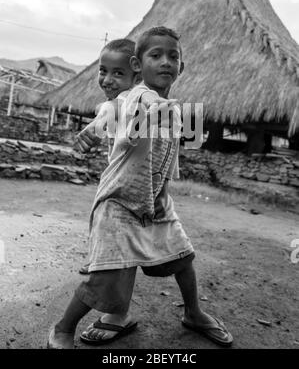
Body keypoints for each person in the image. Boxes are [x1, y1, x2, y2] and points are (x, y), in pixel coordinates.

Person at [47, 26, 233, 349]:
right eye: (155, 55)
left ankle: (194, 312)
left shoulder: (175, 112)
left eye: (172, 57)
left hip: (155, 202)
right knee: (104, 277)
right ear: (138, 65)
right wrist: (93, 128)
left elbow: (169, 159)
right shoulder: (134, 97)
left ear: (181, 67)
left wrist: (162, 194)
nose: (165, 62)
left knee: (183, 258)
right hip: (118, 203)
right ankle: (63, 328)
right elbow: (111, 110)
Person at [75, 38, 140, 275]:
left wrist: (96, 124)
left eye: (118, 73)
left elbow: (114, 108)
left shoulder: (130, 100)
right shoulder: (119, 101)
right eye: (103, 71)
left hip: (123, 182)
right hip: (123, 179)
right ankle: (102, 259)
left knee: (104, 219)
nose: (107, 79)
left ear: (136, 78)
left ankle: (101, 263)